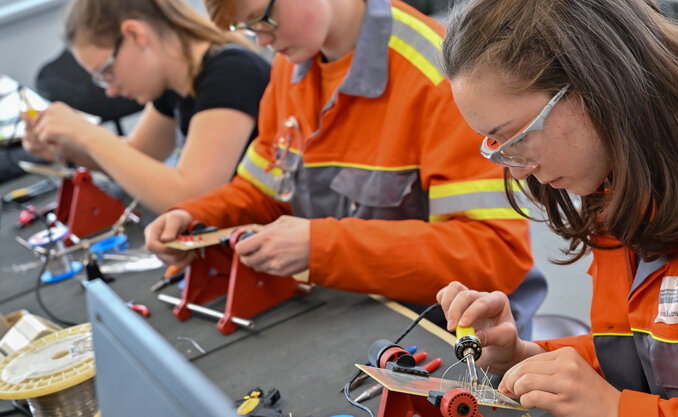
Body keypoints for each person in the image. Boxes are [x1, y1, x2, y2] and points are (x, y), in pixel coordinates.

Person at [436, 0, 678, 416]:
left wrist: (618, 411)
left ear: (596, 85)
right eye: (498, 147)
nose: (518, 172)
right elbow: (649, 356)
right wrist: (525, 357)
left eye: (517, 136)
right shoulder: (625, 176)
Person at [144, 0, 547, 337]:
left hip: (460, 334)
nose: (261, 40)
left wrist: (321, 247)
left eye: (262, 19)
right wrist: (195, 217)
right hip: (356, 312)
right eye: (245, 28)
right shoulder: (290, 67)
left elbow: (492, 257)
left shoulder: (442, 77)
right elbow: (262, 192)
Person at [22, 0, 270, 213]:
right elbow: (137, 155)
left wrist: (85, 134)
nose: (110, 90)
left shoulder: (231, 73)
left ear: (134, 35)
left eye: (106, 72)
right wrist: (65, 148)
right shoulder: (178, 82)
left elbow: (190, 197)